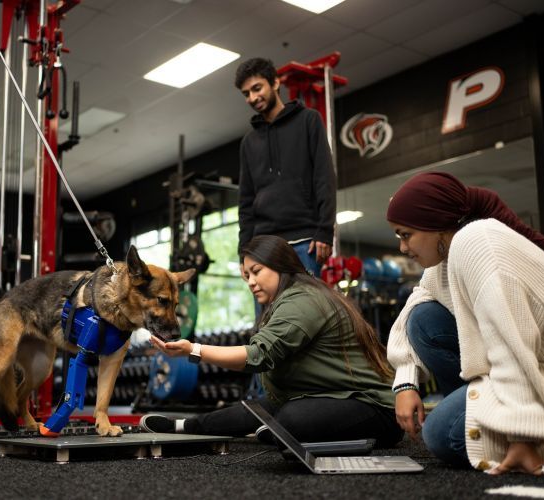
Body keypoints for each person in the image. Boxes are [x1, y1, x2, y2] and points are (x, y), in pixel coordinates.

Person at [385, 171, 544, 476]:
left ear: (436, 225)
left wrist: (521, 434)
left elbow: (511, 343)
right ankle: (491, 418)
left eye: (405, 234)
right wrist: (406, 383)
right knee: (423, 319)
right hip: (540, 371)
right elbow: (411, 313)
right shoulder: (446, 259)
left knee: (442, 434)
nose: (402, 248)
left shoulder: (478, 242)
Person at [142, 235, 402, 446]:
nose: (251, 283)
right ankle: (186, 427)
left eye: (256, 271)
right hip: (321, 395)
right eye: (246, 276)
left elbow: (259, 356)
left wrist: (193, 350)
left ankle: (281, 430)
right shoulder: (287, 300)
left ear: (280, 265)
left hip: (375, 409)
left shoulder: (304, 301)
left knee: (289, 417)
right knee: (254, 409)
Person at [235, 57, 336, 277]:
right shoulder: (248, 142)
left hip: (305, 243)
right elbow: (245, 203)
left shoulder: (309, 120)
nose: (252, 97)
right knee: (268, 314)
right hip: (262, 249)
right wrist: (244, 252)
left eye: (257, 88)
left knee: (303, 311)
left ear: (275, 83)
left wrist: (324, 232)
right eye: (246, 93)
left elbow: (324, 178)